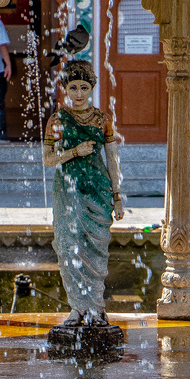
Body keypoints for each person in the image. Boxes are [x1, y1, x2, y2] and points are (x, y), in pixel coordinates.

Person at [43, 59, 123, 325]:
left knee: (95, 251)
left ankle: (97, 309)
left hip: (97, 190)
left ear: (91, 89)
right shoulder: (57, 119)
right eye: (73, 87)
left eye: (84, 88)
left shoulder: (103, 119)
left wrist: (117, 196)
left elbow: (112, 159)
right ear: (65, 88)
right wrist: (74, 152)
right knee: (68, 247)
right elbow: (48, 159)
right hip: (68, 190)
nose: (78, 94)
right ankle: (77, 309)